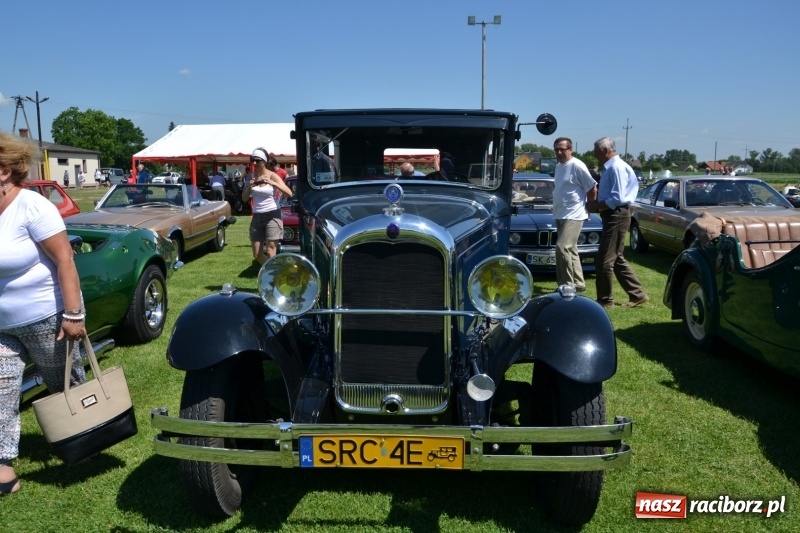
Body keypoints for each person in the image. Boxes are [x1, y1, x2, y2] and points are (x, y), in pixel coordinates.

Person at [0, 132, 87, 496]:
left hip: (47, 318)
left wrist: (74, 314)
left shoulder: (33, 207)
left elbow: (65, 259)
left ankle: (86, 437)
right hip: (3, 326)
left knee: (64, 386)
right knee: (1, 391)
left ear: (4, 171)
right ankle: (3, 466)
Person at [586, 137, 649, 308]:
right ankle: (637, 294)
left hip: (616, 214)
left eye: (596, 150)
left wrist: (595, 205)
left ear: (606, 150)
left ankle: (605, 300)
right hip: (615, 214)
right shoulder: (612, 167)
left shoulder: (616, 168)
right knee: (616, 257)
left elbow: (618, 198)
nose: (594, 153)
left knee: (604, 259)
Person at [552, 137, 597, 292]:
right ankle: (578, 283)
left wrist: (589, 208)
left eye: (562, 149)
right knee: (571, 249)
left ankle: (566, 285)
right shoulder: (559, 167)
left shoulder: (577, 165)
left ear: (570, 150)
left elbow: (592, 188)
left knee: (562, 247)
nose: (559, 152)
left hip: (574, 214)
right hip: (560, 213)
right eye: (556, 149)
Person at [242, 147, 294, 264]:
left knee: (271, 251)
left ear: (264, 161)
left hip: (272, 215)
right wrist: (249, 188)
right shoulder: (251, 176)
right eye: (252, 160)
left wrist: (273, 183)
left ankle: (272, 277)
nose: (254, 163)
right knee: (257, 254)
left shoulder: (272, 176)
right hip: (257, 216)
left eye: (257, 160)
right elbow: (244, 198)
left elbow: (289, 193)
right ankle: (274, 270)